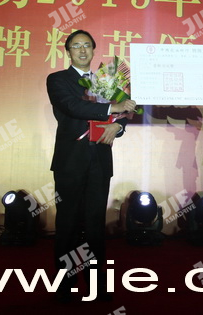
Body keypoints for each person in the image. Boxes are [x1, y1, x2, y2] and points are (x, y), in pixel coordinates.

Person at [46, 29, 136, 302]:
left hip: (99, 160)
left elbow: (125, 112)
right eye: (76, 46)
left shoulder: (106, 81)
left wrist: (118, 126)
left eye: (87, 45)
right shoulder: (57, 80)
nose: (82, 50)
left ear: (94, 50)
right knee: (68, 224)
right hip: (70, 163)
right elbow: (72, 107)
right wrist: (112, 109)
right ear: (68, 51)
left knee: (96, 224)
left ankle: (98, 286)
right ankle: (65, 286)